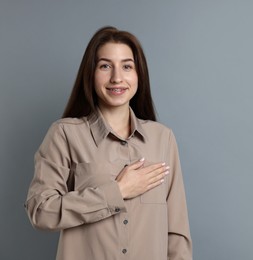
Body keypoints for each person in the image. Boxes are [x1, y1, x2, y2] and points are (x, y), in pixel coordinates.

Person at [25, 26, 192, 260]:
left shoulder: (163, 138)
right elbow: (40, 212)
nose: (117, 77)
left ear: (139, 74)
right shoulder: (64, 134)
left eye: (127, 66)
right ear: (90, 73)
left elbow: (177, 233)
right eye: (105, 66)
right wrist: (117, 192)